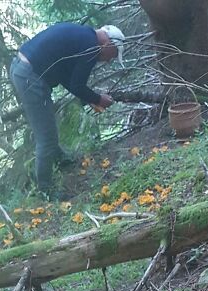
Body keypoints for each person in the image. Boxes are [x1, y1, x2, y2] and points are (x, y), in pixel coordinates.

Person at [10, 23, 125, 196]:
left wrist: (90, 98)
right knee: (46, 137)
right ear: (109, 43)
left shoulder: (84, 36)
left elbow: (65, 77)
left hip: (22, 68)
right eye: (112, 55)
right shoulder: (91, 47)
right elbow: (77, 85)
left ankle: (61, 158)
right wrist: (98, 98)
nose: (109, 60)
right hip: (29, 76)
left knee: (47, 123)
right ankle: (45, 190)